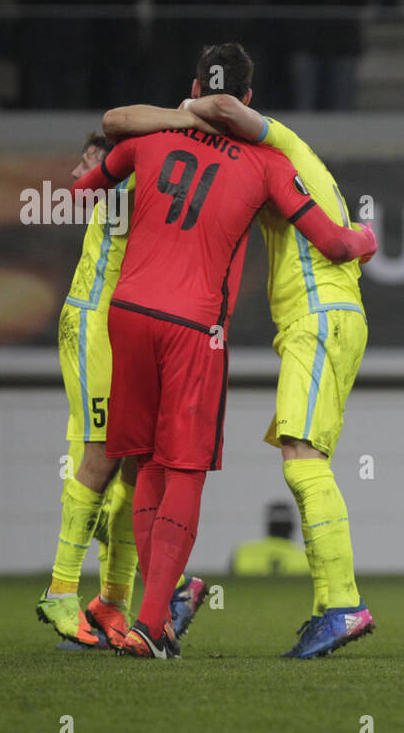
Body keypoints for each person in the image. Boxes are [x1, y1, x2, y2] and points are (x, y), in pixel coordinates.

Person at [74, 42, 377, 658]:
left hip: (131, 312)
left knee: (142, 463)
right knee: (192, 467)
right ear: (248, 97)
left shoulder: (159, 138)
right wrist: (367, 237)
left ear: (198, 90)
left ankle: (124, 602)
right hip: (199, 324)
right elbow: (335, 242)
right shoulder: (269, 161)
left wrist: (173, 122)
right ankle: (156, 620)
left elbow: (90, 174)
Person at [36, 131, 206, 650]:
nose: (78, 174)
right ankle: (61, 590)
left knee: (135, 464)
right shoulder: (136, 181)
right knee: (100, 460)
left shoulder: (142, 178)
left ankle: (114, 599)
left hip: (127, 329)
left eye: (88, 162)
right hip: (93, 326)